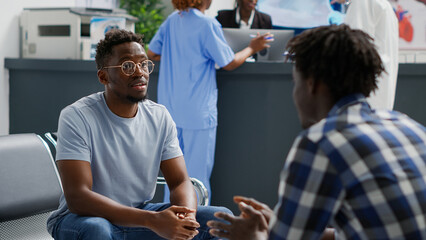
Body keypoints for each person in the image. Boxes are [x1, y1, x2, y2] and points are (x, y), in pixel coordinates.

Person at [207, 24, 426, 240]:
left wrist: (255, 236)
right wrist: (280, 223)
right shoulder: (407, 125)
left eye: (296, 82)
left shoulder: (320, 142)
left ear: (312, 84)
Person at [46, 29, 232, 240]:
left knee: (221, 218)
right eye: (127, 66)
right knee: (97, 229)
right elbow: (78, 197)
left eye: (143, 64)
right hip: (82, 218)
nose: (139, 72)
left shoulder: (159, 116)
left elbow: (180, 181)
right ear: (103, 76)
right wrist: (151, 220)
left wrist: (184, 219)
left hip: (138, 212)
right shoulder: (77, 116)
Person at [148, 0, 272, 202]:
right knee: (197, 180)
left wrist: (177, 58)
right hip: (198, 113)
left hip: (171, 111)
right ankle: (196, 229)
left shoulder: (172, 21)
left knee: (172, 179)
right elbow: (229, 62)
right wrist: (252, 48)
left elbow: (152, 53)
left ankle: (170, 227)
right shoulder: (207, 24)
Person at [332, 0, 399, 110]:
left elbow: (353, 50)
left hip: (363, 100)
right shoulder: (380, 4)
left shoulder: (363, 3)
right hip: (375, 98)